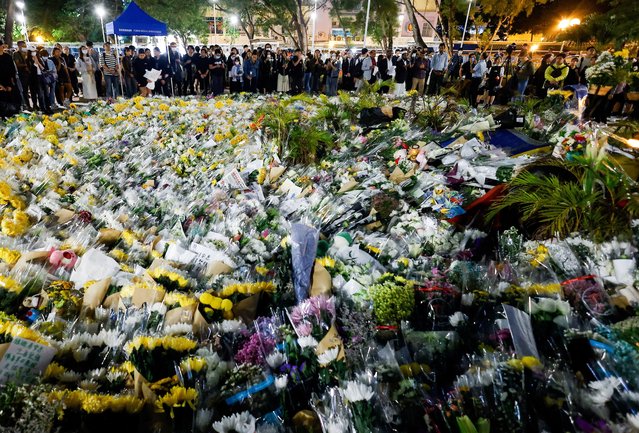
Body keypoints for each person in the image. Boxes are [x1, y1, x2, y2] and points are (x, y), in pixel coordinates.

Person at [29, 48, 49, 113]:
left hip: (42, 77)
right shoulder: (28, 60)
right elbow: (30, 70)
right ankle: (42, 108)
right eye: (33, 52)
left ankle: (47, 107)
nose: (34, 53)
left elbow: (43, 68)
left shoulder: (39, 59)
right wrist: (35, 63)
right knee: (40, 94)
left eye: (35, 52)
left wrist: (38, 62)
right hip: (35, 79)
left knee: (46, 92)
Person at [13, 41, 31, 110]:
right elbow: (17, 64)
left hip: (27, 74)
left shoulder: (26, 53)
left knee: (27, 90)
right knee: (23, 90)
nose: (25, 47)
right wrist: (25, 65)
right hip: (21, 74)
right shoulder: (16, 54)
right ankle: (25, 105)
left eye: (25, 46)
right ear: (19, 46)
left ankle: (28, 104)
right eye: (23, 46)